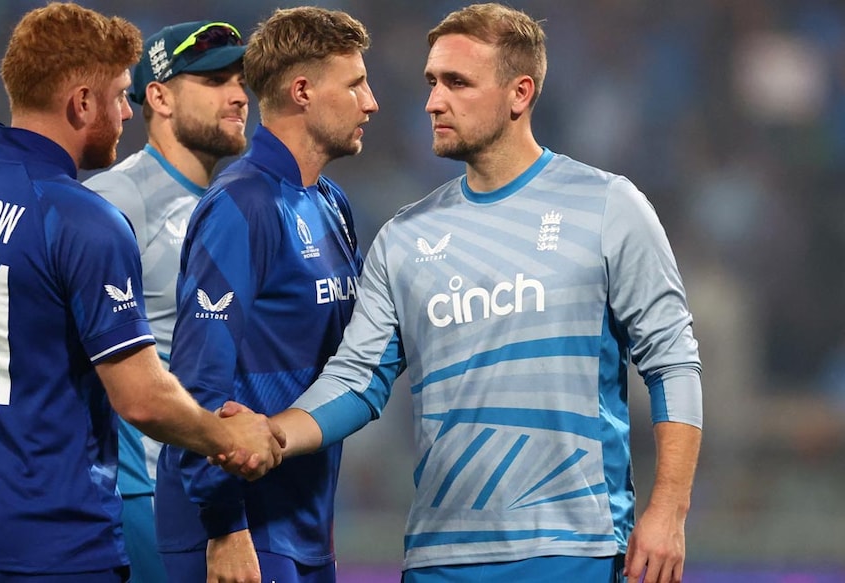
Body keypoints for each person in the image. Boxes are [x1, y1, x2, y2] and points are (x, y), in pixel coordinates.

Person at [269, 4, 703, 583]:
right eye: (431, 82)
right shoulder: (404, 237)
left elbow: (673, 362)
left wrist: (669, 511)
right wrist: (274, 434)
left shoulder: (607, 206)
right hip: (441, 558)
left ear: (519, 93)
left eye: (457, 82)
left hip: (575, 549)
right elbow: (356, 378)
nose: (433, 100)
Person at [0, 4, 283, 582]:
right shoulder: (84, 218)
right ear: (81, 103)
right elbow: (139, 398)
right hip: (51, 545)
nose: (124, 112)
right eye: (118, 96)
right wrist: (229, 436)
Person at [153, 6, 378, 583]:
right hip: (237, 532)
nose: (371, 102)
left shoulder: (331, 203)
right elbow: (199, 382)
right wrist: (224, 527)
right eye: (354, 84)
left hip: (304, 524)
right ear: (302, 91)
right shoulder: (242, 205)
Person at [83, 19, 249, 583]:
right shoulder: (115, 200)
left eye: (239, 79)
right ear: (159, 97)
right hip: (148, 499)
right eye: (213, 80)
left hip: (216, 494)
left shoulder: (226, 204)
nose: (237, 95)